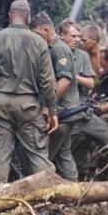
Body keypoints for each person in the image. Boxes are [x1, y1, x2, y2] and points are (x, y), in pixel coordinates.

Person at [0, 0, 58, 187]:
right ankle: (48, 203)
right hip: (28, 106)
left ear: (10, 16)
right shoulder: (40, 42)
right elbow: (48, 83)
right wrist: (53, 111)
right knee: (37, 155)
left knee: (1, 155)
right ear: (27, 18)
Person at [59, 20, 108, 177]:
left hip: (85, 108)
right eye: (76, 37)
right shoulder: (71, 54)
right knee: (67, 149)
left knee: (90, 143)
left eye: (83, 39)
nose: (79, 42)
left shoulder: (100, 58)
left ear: (94, 41)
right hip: (74, 108)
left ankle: (106, 174)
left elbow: (94, 82)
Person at [29, 12, 77, 180]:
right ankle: (75, 191)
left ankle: (42, 189)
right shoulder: (53, 48)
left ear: (46, 29)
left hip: (63, 111)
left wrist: (48, 107)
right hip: (66, 110)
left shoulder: (58, 49)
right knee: (64, 155)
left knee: (43, 156)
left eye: (37, 34)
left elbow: (64, 81)